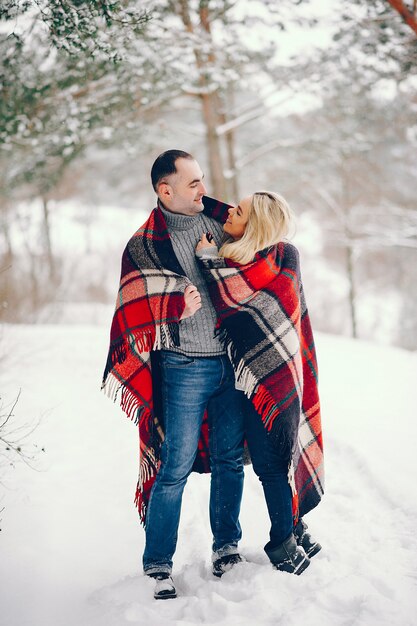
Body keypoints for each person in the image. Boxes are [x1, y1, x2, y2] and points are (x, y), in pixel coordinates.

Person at [102, 150, 246, 600]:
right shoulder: (144, 244)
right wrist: (173, 309)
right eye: (192, 184)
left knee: (229, 461)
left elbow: (252, 275)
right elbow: (133, 308)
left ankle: (227, 547)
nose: (203, 189)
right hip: (183, 366)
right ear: (165, 190)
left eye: (202, 179)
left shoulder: (225, 227)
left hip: (230, 361)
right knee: (173, 467)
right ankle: (157, 565)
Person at [195, 190, 324, 575]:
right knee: (259, 462)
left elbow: (234, 299)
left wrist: (207, 260)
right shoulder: (230, 255)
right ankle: (294, 530)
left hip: (277, 378)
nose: (230, 212)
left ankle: (284, 542)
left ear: (255, 226)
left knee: (273, 463)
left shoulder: (284, 258)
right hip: (241, 379)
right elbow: (215, 209)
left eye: (240, 211)